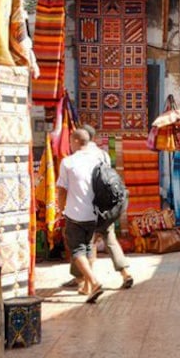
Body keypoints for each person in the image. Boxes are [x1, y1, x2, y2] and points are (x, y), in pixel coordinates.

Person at [64, 125, 134, 291]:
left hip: (88, 208)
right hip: (106, 207)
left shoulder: (78, 158)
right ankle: (125, 273)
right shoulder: (102, 154)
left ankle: (86, 280)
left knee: (85, 244)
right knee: (110, 239)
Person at [55, 128, 105, 302]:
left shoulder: (68, 162)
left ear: (76, 141)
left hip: (75, 213)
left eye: (70, 141)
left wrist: (61, 209)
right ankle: (87, 287)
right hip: (94, 213)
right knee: (89, 247)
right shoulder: (97, 159)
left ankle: (94, 282)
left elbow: (62, 190)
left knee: (77, 250)